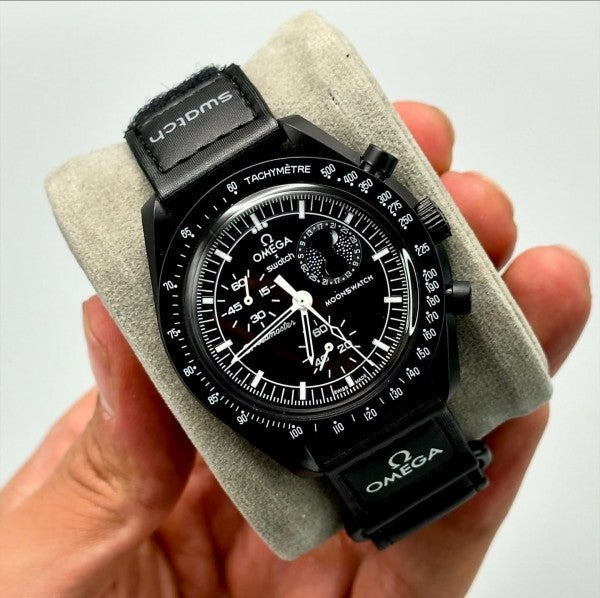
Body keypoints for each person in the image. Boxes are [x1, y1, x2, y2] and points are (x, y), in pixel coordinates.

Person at [0, 101, 591, 598]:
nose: (304, 300)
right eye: (283, 299)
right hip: (328, 423)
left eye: (304, 294)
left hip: (404, 380)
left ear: (418, 223)